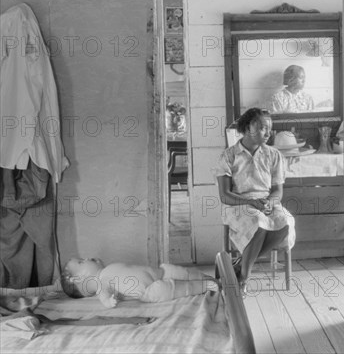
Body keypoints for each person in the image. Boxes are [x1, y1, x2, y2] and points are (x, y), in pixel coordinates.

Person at [215, 108, 295, 291]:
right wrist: (251, 203)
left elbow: (277, 191)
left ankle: (240, 265)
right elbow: (224, 195)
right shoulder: (229, 155)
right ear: (247, 127)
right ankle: (244, 278)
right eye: (261, 128)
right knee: (258, 222)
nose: (267, 133)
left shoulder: (273, 155)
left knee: (286, 222)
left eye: (269, 128)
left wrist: (270, 203)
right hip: (238, 204)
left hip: (266, 203)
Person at [60, 258, 216, 308]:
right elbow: (103, 296)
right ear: (77, 279)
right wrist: (109, 301)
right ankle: (204, 286)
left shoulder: (107, 268)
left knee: (184, 272)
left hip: (159, 271)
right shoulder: (101, 283)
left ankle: (206, 278)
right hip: (149, 290)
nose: (87, 258)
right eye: (81, 262)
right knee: (177, 288)